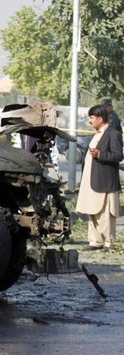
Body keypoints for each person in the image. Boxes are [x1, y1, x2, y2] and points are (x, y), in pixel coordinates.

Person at [76, 105, 123, 251]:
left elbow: (118, 156)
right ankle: (95, 241)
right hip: (92, 180)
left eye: (91, 118)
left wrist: (101, 155)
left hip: (105, 181)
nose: (90, 121)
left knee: (105, 213)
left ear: (100, 119)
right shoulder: (96, 134)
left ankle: (109, 242)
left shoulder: (113, 133)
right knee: (93, 210)